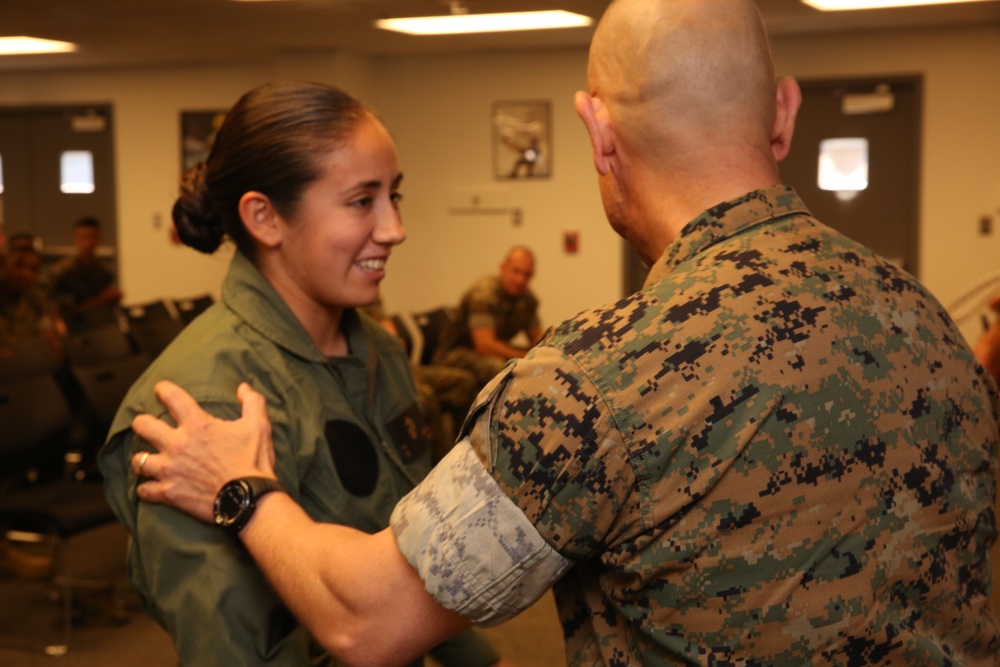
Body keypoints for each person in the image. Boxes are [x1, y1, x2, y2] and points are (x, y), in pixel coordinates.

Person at [125, 1, 1000, 665]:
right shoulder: (925, 315)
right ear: (783, 113)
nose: (391, 227)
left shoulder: (597, 383)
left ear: (599, 133)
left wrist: (242, 488)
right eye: (364, 200)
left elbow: (368, 616)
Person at [96, 81, 508, 667]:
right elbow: (233, 650)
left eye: (394, 196)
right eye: (362, 201)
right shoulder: (206, 410)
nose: (394, 228)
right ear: (264, 218)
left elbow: (413, 561)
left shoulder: (377, 355)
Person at [433, 245, 543, 387]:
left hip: (490, 351)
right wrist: (524, 356)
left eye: (526, 274)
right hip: (454, 353)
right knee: (499, 367)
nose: (520, 280)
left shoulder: (527, 299)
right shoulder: (484, 294)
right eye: (515, 271)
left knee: (538, 360)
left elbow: (538, 340)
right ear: (503, 268)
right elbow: (484, 345)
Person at [48, 216, 123, 324]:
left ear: (99, 239)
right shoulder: (63, 271)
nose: (88, 242)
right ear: (75, 239)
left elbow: (108, 308)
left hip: (99, 325)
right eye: (83, 237)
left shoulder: (104, 272)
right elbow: (64, 310)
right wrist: (102, 300)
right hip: (72, 326)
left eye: (93, 237)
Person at [0, 244, 66, 357]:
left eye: (33, 269)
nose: (25, 274)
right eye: (18, 265)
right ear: (4, 264)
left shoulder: (35, 296)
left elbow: (52, 333)